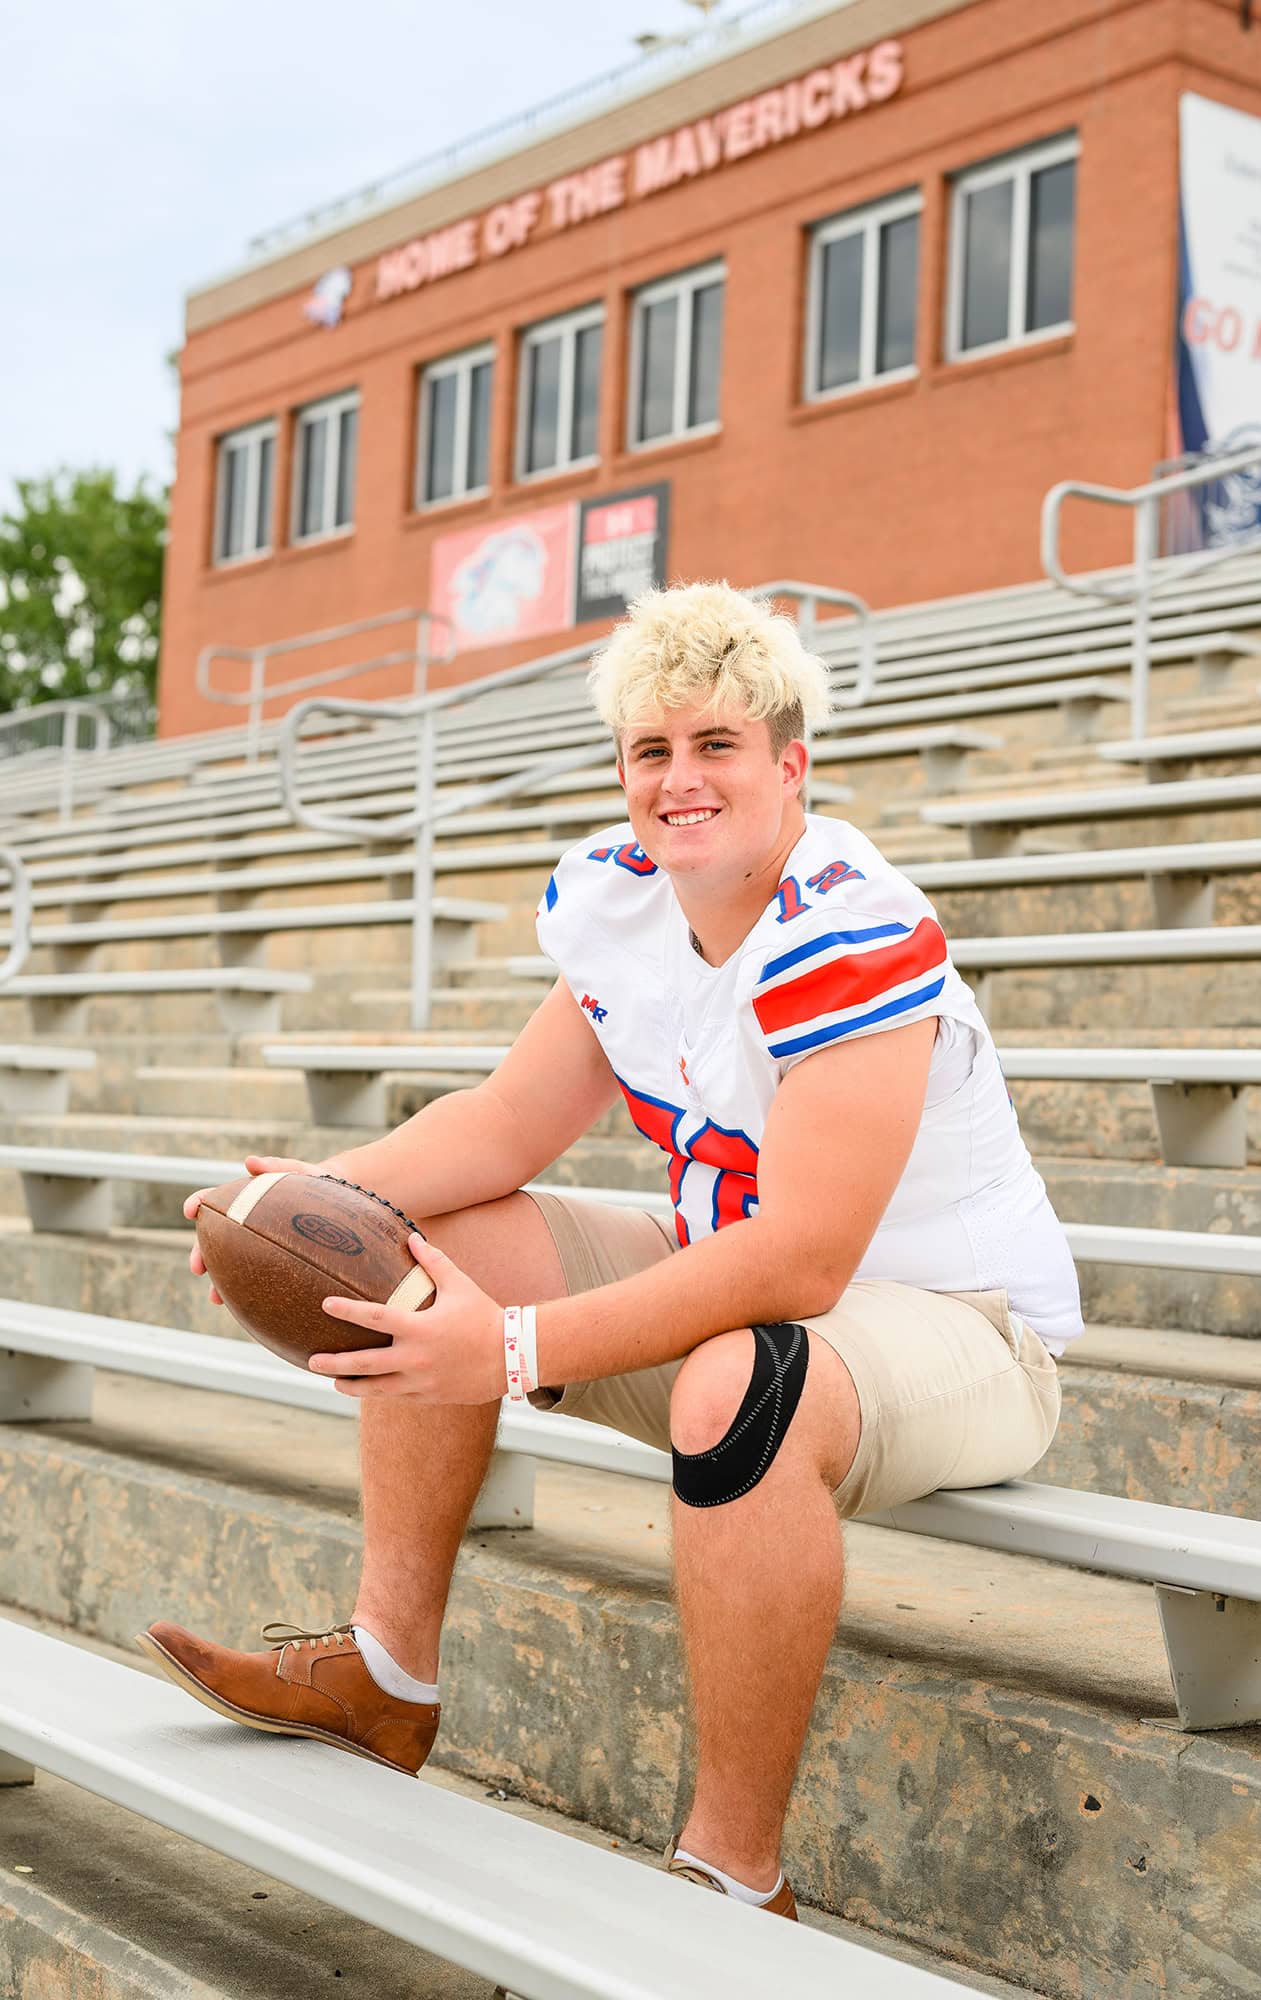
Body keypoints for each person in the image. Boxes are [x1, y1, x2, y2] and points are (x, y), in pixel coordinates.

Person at [139, 581, 1081, 1926]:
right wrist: (310, 1194)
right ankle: (384, 1678)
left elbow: (805, 1263)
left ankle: (731, 1874)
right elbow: (505, 1122)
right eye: (652, 751)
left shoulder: (848, 923)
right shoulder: (623, 900)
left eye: (715, 747)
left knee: (736, 1381)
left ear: (788, 765)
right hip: (748, 1284)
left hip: (955, 1326)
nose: (678, 780)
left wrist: (508, 1349)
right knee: (422, 1245)